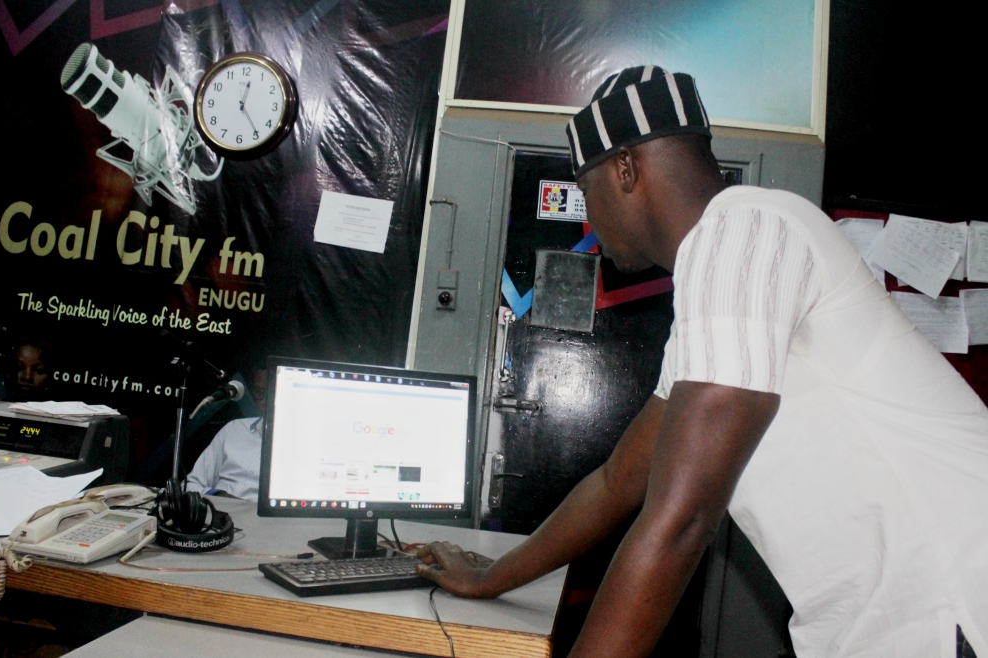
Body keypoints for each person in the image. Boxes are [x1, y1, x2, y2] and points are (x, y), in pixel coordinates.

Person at [415, 66, 987, 658]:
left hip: (954, 613)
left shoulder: (744, 228)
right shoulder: (720, 288)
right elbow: (619, 482)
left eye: (588, 194)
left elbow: (681, 521)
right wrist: (492, 575)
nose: (591, 221)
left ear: (625, 169)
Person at [185, 369, 267, 501]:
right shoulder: (234, 428)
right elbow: (191, 485)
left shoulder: (305, 442)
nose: (265, 400)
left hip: (261, 520)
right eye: (260, 392)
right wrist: (218, 495)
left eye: (273, 391)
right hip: (217, 514)